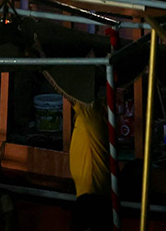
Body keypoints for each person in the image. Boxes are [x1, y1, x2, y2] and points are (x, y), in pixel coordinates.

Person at [68, 97, 110, 231]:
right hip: (92, 197)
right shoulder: (91, 117)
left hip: (91, 199)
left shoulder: (91, 113)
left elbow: (72, 93)